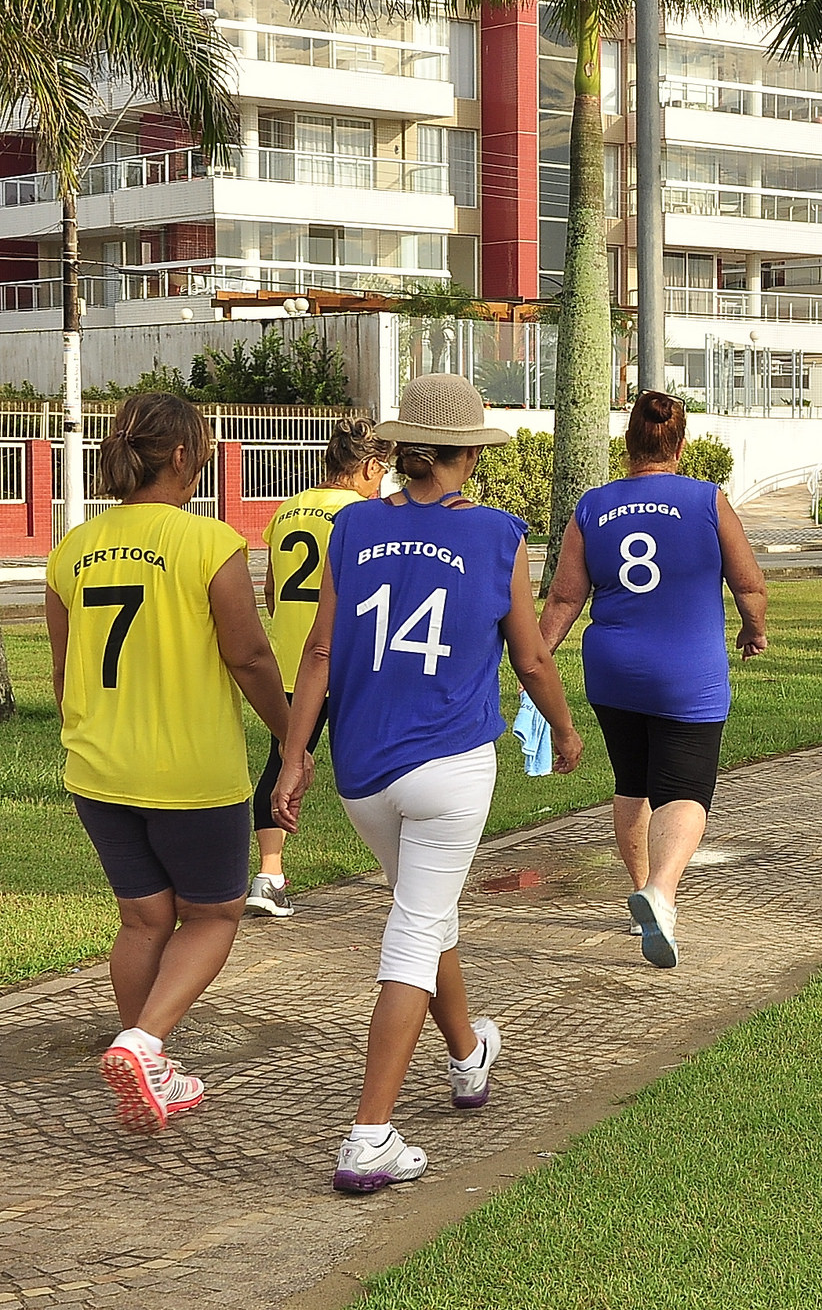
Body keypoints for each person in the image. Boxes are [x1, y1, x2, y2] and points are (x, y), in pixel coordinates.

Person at [272, 374, 583, 1194]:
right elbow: (533, 655)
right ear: (469, 456)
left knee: (423, 907)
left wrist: (295, 753)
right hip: (449, 762)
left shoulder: (355, 526)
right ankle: (369, 1135)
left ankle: (467, 1054)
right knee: (414, 931)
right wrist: (563, 724)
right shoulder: (497, 534)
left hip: (361, 770)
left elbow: (316, 654)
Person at [46, 392, 294, 1133]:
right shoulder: (208, 543)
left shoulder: (70, 548)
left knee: (143, 919)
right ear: (183, 456)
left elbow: (63, 676)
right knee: (214, 913)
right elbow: (250, 656)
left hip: (97, 767)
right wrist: (291, 737)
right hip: (189, 770)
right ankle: (145, 1044)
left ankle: (147, 1064)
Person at [540, 390, 768, 967]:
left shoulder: (592, 507)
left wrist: (534, 661)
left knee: (633, 782)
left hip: (613, 670)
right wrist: (752, 628)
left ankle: (641, 888)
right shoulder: (706, 500)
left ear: (628, 445)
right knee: (685, 791)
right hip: (686, 670)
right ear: (681, 444)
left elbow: (566, 598)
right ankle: (661, 893)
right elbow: (748, 584)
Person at [247, 418, 393, 918]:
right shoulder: (364, 514)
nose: (384, 484)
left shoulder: (286, 510)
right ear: (371, 466)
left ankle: (268, 875)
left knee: (284, 760)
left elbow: (270, 591)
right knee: (379, 759)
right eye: (384, 473)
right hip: (350, 656)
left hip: (292, 661)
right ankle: (404, 872)